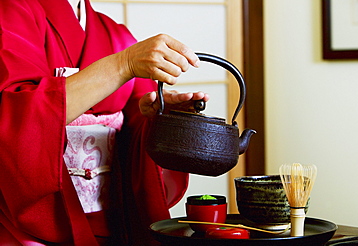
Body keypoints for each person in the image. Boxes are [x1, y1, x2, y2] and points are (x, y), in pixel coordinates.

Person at [0, 0, 209, 245]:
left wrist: (159, 116)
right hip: (42, 217)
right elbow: (15, 116)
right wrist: (123, 65)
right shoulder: (11, 10)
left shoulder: (115, 32)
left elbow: (137, 119)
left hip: (114, 217)